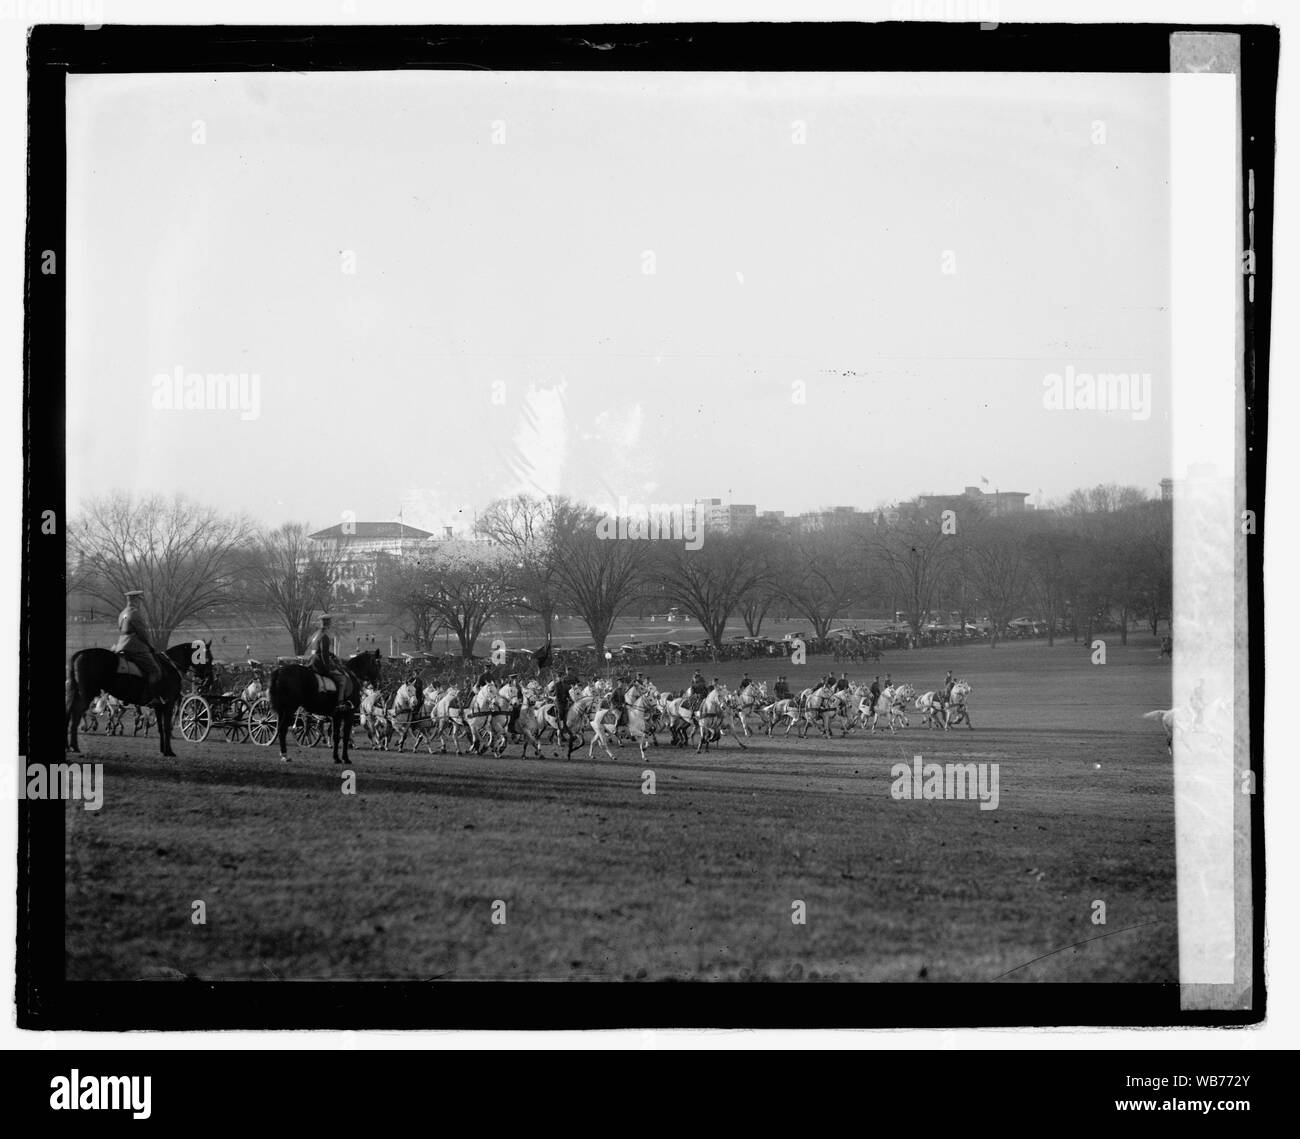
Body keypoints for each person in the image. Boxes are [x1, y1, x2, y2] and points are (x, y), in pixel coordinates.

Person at [112, 590, 165, 699]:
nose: (140, 603)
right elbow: (143, 633)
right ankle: (151, 696)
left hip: (121, 646)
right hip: (135, 647)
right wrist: (150, 646)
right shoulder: (135, 613)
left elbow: (121, 629)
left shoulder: (123, 613)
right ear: (135, 600)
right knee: (155, 670)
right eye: (139, 600)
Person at [306, 614, 350, 706]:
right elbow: (323, 654)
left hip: (311, 661)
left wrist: (332, 655)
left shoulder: (314, 635)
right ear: (328, 624)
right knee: (343, 679)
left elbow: (318, 650)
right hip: (319, 664)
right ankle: (340, 702)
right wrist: (328, 668)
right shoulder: (324, 637)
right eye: (329, 622)